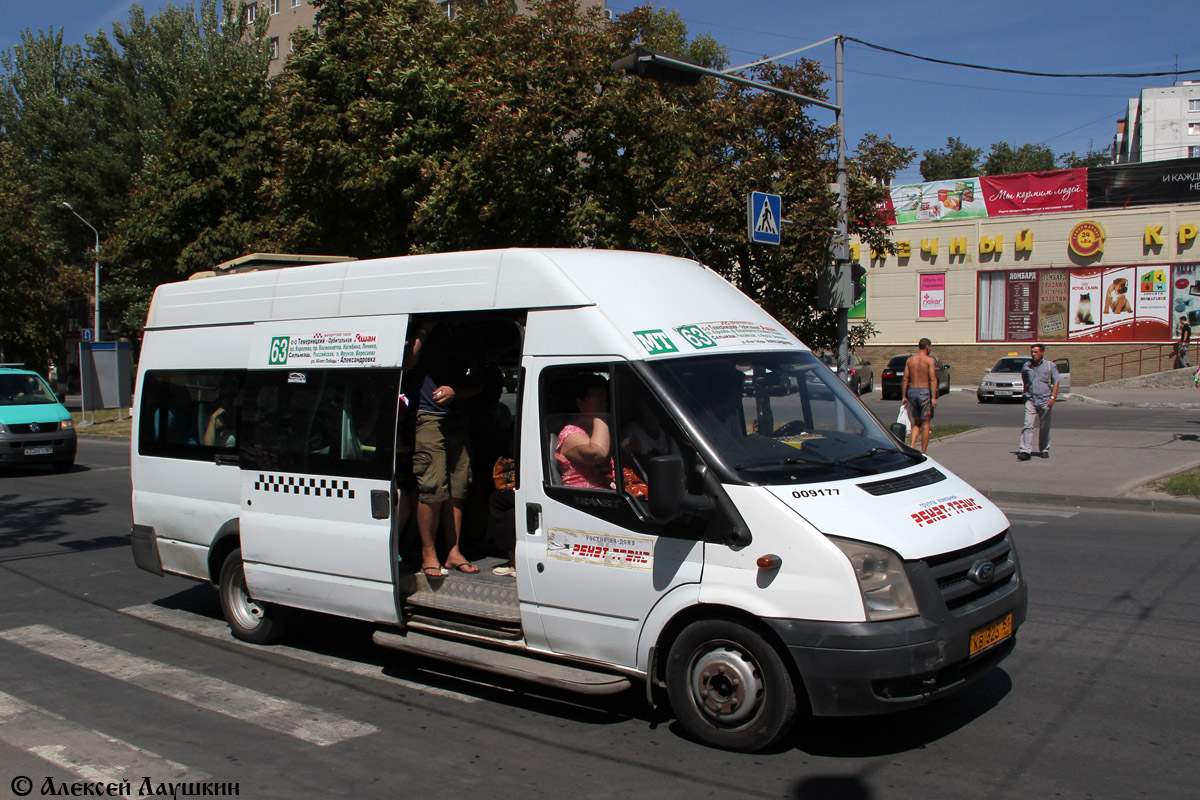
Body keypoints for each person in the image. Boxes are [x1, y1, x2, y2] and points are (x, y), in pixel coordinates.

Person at [412, 322, 484, 578]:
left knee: (458, 487)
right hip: (429, 416)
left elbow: (479, 382)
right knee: (432, 488)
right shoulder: (424, 330)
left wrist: (457, 391)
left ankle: (453, 552)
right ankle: (428, 553)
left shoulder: (469, 334)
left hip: (458, 417)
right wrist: (424, 330)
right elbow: (406, 363)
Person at [555, 373, 614, 490]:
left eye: (605, 397)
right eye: (598, 397)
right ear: (580, 403)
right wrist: (600, 412)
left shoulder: (595, 429)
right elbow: (598, 453)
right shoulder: (569, 433)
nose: (604, 401)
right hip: (585, 501)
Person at [1018, 342, 1060, 461]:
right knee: (1027, 424)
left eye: (1036, 352)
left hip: (1045, 400)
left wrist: (1053, 397)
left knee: (1044, 426)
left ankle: (1044, 449)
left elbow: (1056, 381)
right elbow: (1025, 379)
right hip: (1031, 399)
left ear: (1042, 352)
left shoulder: (1049, 365)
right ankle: (1025, 451)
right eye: (1032, 352)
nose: (1033, 354)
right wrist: (1025, 394)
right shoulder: (1027, 366)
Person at [900, 338, 938, 454]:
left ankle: (912, 445)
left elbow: (905, 378)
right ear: (927, 347)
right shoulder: (929, 360)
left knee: (916, 422)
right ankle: (924, 452)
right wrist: (934, 397)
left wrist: (904, 395)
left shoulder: (910, 360)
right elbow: (932, 379)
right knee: (926, 423)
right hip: (924, 392)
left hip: (912, 391)